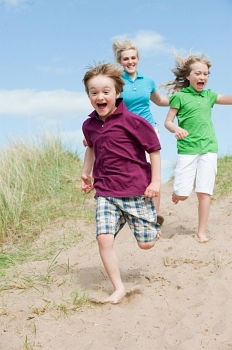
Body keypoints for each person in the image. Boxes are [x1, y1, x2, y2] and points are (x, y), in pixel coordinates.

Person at [81, 63, 161, 304]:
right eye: (93, 92)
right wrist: (86, 173)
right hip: (106, 190)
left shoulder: (133, 121)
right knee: (104, 238)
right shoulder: (89, 125)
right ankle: (118, 288)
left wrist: (156, 181)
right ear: (89, 96)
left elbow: (154, 150)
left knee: (146, 244)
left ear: (117, 93)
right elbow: (91, 148)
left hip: (135, 188)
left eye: (106, 91)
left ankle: (151, 225)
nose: (100, 96)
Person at [164, 53, 232, 243]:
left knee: (204, 191)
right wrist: (176, 129)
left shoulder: (209, 95)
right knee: (184, 194)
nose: (202, 77)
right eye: (198, 73)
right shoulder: (180, 96)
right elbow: (168, 122)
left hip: (209, 147)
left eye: (206, 74)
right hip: (187, 149)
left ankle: (201, 231)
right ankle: (177, 194)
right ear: (188, 76)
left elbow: (228, 99)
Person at [112, 39, 169, 226]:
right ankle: (132, 213)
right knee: (133, 172)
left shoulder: (148, 81)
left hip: (149, 129)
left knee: (153, 171)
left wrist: (182, 98)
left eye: (133, 58)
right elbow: (109, 106)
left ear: (138, 59)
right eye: (126, 59)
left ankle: (154, 217)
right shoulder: (116, 81)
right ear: (120, 61)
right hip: (126, 132)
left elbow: (159, 101)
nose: (130, 61)